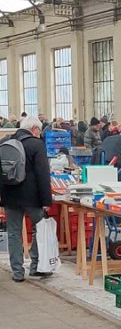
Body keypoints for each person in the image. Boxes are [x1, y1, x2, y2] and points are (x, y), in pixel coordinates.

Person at [0, 117, 53, 282]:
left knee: (14, 233)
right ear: (35, 129)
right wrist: (47, 201)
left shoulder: (5, 142)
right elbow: (43, 175)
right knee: (41, 229)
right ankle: (36, 266)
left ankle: (17, 272)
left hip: (10, 196)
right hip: (33, 197)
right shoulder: (36, 145)